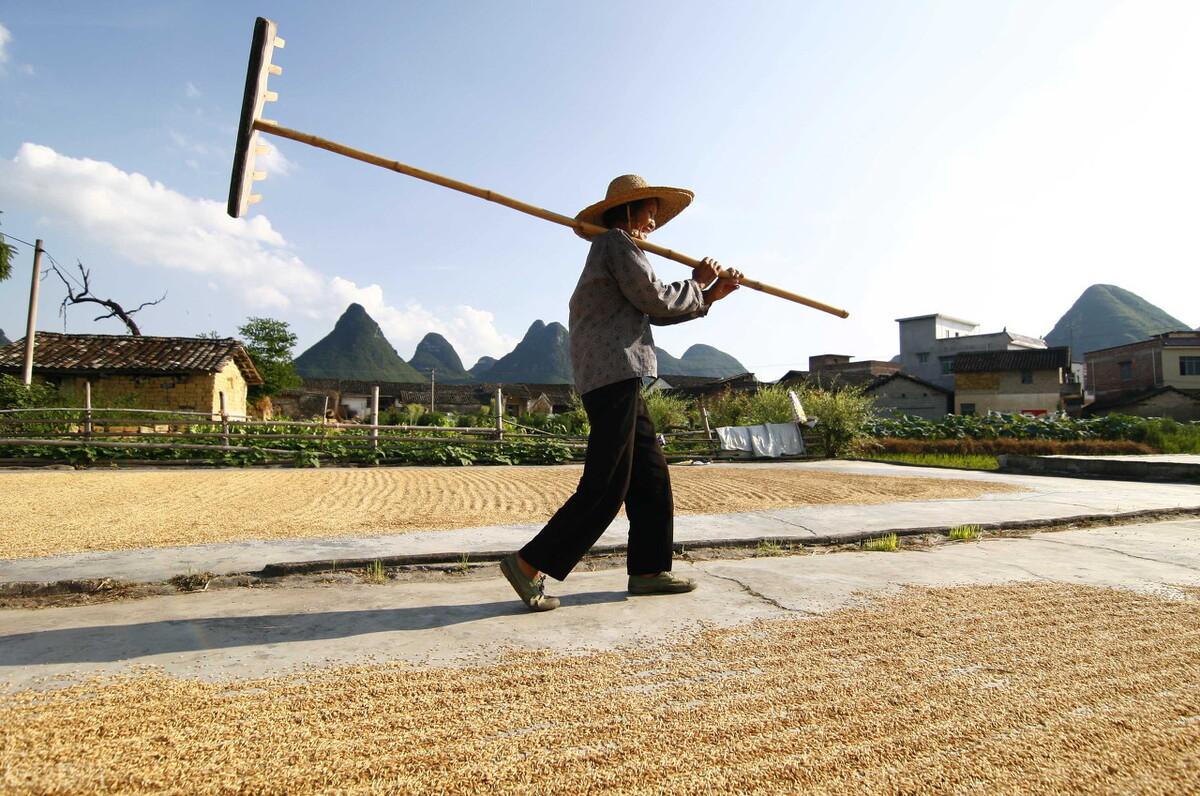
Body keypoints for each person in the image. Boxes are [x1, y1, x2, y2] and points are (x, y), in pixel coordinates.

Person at [500, 174, 742, 611]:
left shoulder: (619, 249)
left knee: (650, 477)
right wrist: (699, 283)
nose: (652, 221)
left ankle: (650, 571)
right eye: (648, 212)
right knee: (606, 485)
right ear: (628, 211)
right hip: (613, 374)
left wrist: (709, 295)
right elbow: (659, 300)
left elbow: (658, 311)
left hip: (619, 376)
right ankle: (527, 564)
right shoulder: (616, 243)